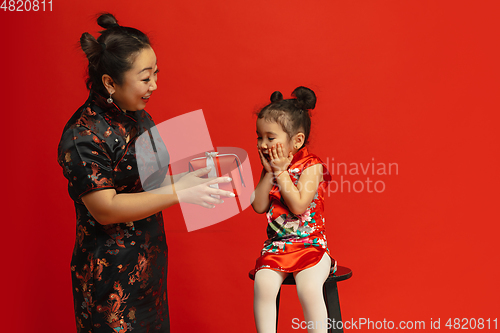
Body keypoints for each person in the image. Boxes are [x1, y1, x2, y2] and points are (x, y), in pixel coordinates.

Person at [57, 13, 233, 333]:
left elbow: (150, 183)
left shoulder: (142, 117)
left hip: (150, 268)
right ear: (110, 82)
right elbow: (106, 209)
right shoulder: (82, 135)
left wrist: (193, 177)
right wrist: (180, 193)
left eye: (156, 74)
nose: (155, 85)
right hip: (109, 281)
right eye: (145, 77)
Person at [251, 86, 337, 333]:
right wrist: (269, 172)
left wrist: (281, 173)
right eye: (259, 137)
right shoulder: (271, 168)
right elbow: (258, 206)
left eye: (270, 137)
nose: (263, 144)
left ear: (297, 140)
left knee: (308, 288)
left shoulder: (312, 166)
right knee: (263, 282)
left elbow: (299, 205)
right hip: (278, 247)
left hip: (311, 246)